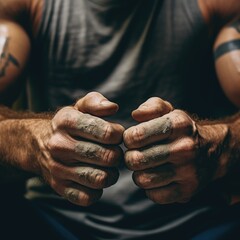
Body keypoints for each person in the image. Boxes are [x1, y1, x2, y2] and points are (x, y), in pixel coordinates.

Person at [1, 0, 240, 239]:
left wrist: (221, 145)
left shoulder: (216, 5)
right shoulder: (25, 5)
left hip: (196, 225)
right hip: (54, 222)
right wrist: (31, 142)